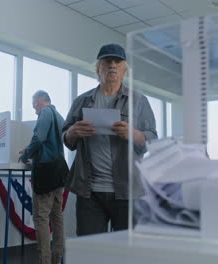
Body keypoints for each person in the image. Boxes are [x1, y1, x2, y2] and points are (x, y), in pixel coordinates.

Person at [62, 43, 158, 236]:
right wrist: (72, 131)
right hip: (89, 192)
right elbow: (66, 139)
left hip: (127, 191)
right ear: (99, 69)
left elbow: (152, 140)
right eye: (107, 61)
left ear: (124, 70)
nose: (112, 65)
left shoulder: (139, 101)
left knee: (125, 252)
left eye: (117, 61)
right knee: (90, 251)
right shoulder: (81, 101)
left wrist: (134, 134)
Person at [19, 90, 65, 264]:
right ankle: (57, 258)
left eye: (34, 106)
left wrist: (26, 155)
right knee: (57, 216)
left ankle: (44, 261)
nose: (34, 110)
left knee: (41, 217)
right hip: (58, 171)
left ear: (40, 101)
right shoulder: (58, 115)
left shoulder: (45, 112)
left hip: (45, 173)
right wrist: (29, 148)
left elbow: (39, 138)